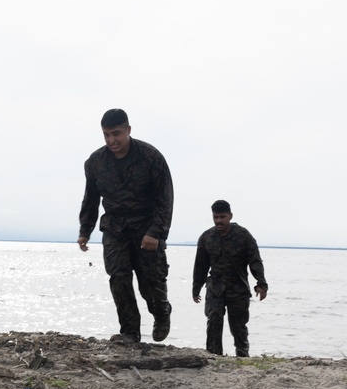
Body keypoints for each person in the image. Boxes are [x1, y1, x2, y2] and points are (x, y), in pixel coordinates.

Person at [78, 108, 174, 344]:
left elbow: (165, 198)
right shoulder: (95, 162)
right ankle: (130, 332)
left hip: (146, 228)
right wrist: (85, 230)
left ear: (128, 130)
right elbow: (91, 198)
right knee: (118, 278)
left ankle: (161, 313)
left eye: (116, 133)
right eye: (106, 135)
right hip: (115, 228)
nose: (111, 140)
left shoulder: (151, 157)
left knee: (150, 283)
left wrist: (155, 232)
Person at [192, 200, 269, 357]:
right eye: (216, 217)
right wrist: (196, 288)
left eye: (222, 217)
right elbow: (200, 265)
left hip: (238, 288)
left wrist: (261, 283)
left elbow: (255, 261)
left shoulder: (243, 236)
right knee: (213, 320)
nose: (219, 221)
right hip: (215, 287)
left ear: (230, 216)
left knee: (238, 325)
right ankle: (214, 355)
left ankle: (242, 355)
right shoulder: (206, 238)